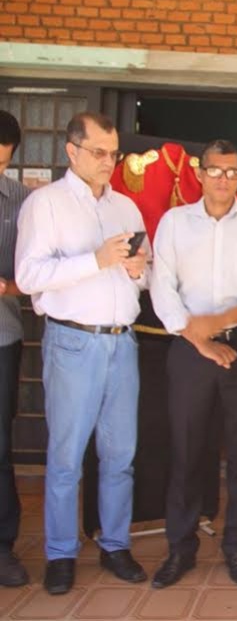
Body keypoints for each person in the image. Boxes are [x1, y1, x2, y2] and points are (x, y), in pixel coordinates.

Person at [15, 112, 149, 595]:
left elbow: (143, 277)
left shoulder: (126, 209)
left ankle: (115, 544)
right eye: (99, 152)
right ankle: (60, 553)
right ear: (72, 152)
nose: (109, 162)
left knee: (120, 455)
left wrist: (136, 268)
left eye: (114, 153)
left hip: (122, 340)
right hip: (73, 340)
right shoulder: (45, 204)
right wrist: (96, 259)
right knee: (67, 456)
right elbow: (29, 277)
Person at [149, 139, 237, 588]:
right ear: (199, 173)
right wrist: (198, 336)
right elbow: (161, 287)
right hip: (189, 348)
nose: (223, 179)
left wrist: (222, 321)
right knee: (187, 450)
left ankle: (236, 546)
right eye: (215, 170)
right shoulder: (174, 223)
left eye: (231, 172)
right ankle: (180, 548)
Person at [0, 110, 30, 587]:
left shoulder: (25, 201)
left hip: (2, 336)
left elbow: (36, 277)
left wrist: (6, 286)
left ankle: (3, 545)